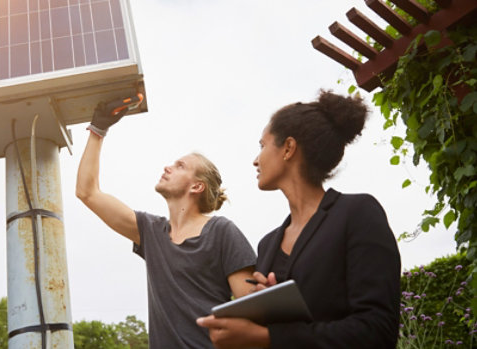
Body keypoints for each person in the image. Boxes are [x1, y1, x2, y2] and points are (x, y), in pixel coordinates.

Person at [197, 91, 401, 348]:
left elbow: (377, 330)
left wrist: (267, 336)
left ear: (289, 148)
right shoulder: (267, 244)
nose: (255, 160)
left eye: (262, 145)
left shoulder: (358, 214)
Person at [76, 99, 257, 348]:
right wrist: (98, 129)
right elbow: (88, 193)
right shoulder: (151, 232)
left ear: (196, 186)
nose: (168, 167)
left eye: (179, 166)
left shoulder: (222, 232)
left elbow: (252, 312)